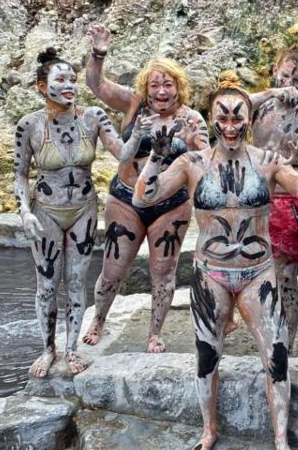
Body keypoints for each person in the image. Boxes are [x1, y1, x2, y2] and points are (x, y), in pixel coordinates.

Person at [133, 71, 298, 450]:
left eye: (240, 118)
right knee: (207, 355)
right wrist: (155, 156)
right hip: (211, 272)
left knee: (276, 356)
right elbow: (143, 196)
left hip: (257, 271)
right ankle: (208, 429)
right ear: (212, 118)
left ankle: (280, 440)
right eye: (224, 117)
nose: (232, 125)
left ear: (250, 121)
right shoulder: (192, 162)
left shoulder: (267, 162)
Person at [13, 48, 146, 377]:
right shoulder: (28, 126)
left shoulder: (94, 117)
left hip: (83, 210)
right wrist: (24, 212)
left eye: (73, 79)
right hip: (45, 211)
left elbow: (122, 154)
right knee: (46, 285)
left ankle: (71, 350)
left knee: (74, 282)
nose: (69, 85)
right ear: (42, 86)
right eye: (60, 79)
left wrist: (140, 133)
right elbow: (19, 175)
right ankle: (48, 350)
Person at [81, 24, 209, 354]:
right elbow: (96, 85)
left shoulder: (192, 119)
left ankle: (154, 332)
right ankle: (98, 319)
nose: (162, 90)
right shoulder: (134, 105)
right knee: (113, 269)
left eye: (168, 84)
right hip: (125, 199)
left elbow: (205, 159)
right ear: (146, 88)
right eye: (155, 85)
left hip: (171, 204)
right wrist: (98, 52)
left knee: (163, 272)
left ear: (179, 87)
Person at [250, 47, 298, 349]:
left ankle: (288, 344)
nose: (290, 84)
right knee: (254, 273)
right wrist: (273, 91)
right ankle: (265, 338)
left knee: (284, 275)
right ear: (275, 71)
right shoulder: (260, 108)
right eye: (285, 76)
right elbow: (232, 105)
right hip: (255, 198)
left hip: (288, 200)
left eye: (297, 80)